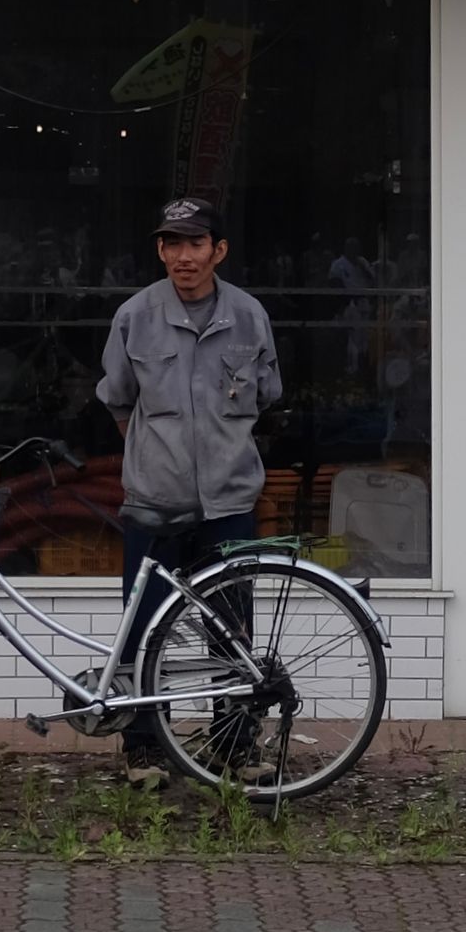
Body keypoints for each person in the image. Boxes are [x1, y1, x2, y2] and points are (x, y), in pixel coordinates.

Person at [96, 195, 281, 770]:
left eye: (195, 243)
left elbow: (267, 394)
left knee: (230, 630)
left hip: (229, 502)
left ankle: (233, 744)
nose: (183, 255)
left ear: (218, 251)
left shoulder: (249, 315)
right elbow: (118, 400)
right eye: (171, 243)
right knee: (144, 628)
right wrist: (158, 456)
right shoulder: (135, 316)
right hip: (154, 502)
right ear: (160, 250)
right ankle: (145, 748)